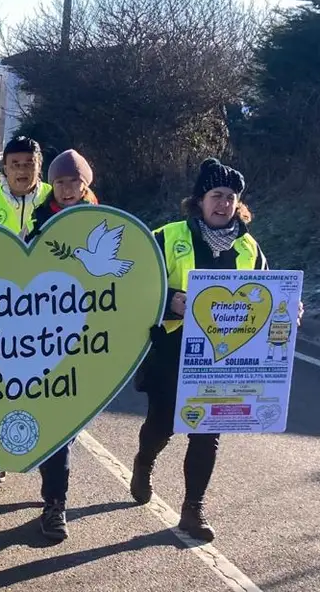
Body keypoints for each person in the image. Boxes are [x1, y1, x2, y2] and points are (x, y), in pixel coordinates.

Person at [130, 158, 301, 542]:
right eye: (216, 195)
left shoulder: (249, 247)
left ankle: (193, 510)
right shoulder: (166, 236)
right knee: (162, 425)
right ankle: (144, 462)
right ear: (199, 199)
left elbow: (265, 296)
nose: (223, 203)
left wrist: (289, 309)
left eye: (230, 197)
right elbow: (135, 286)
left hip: (223, 362)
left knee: (207, 433)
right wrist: (169, 300)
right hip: (171, 351)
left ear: (238, 203)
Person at [0, 135, 52, 484]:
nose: (22, 170)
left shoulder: (56, 196)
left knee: (41, 383)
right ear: (4, 167)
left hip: (46, 308)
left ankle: (42, 445)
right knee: (0, 383)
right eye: (15, 164)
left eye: (28, 163)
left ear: (39, 165)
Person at [26, 148, 98, 541]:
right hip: (47, 339)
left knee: (69, 424)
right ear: (52, 185)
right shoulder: (39, 223)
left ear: (86, 184)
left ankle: (54, 489)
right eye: (61, 182)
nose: (68, 189)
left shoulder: (106, 223)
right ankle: (55, 504)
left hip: (91, 341)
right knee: (58, 425)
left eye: (75, 181)